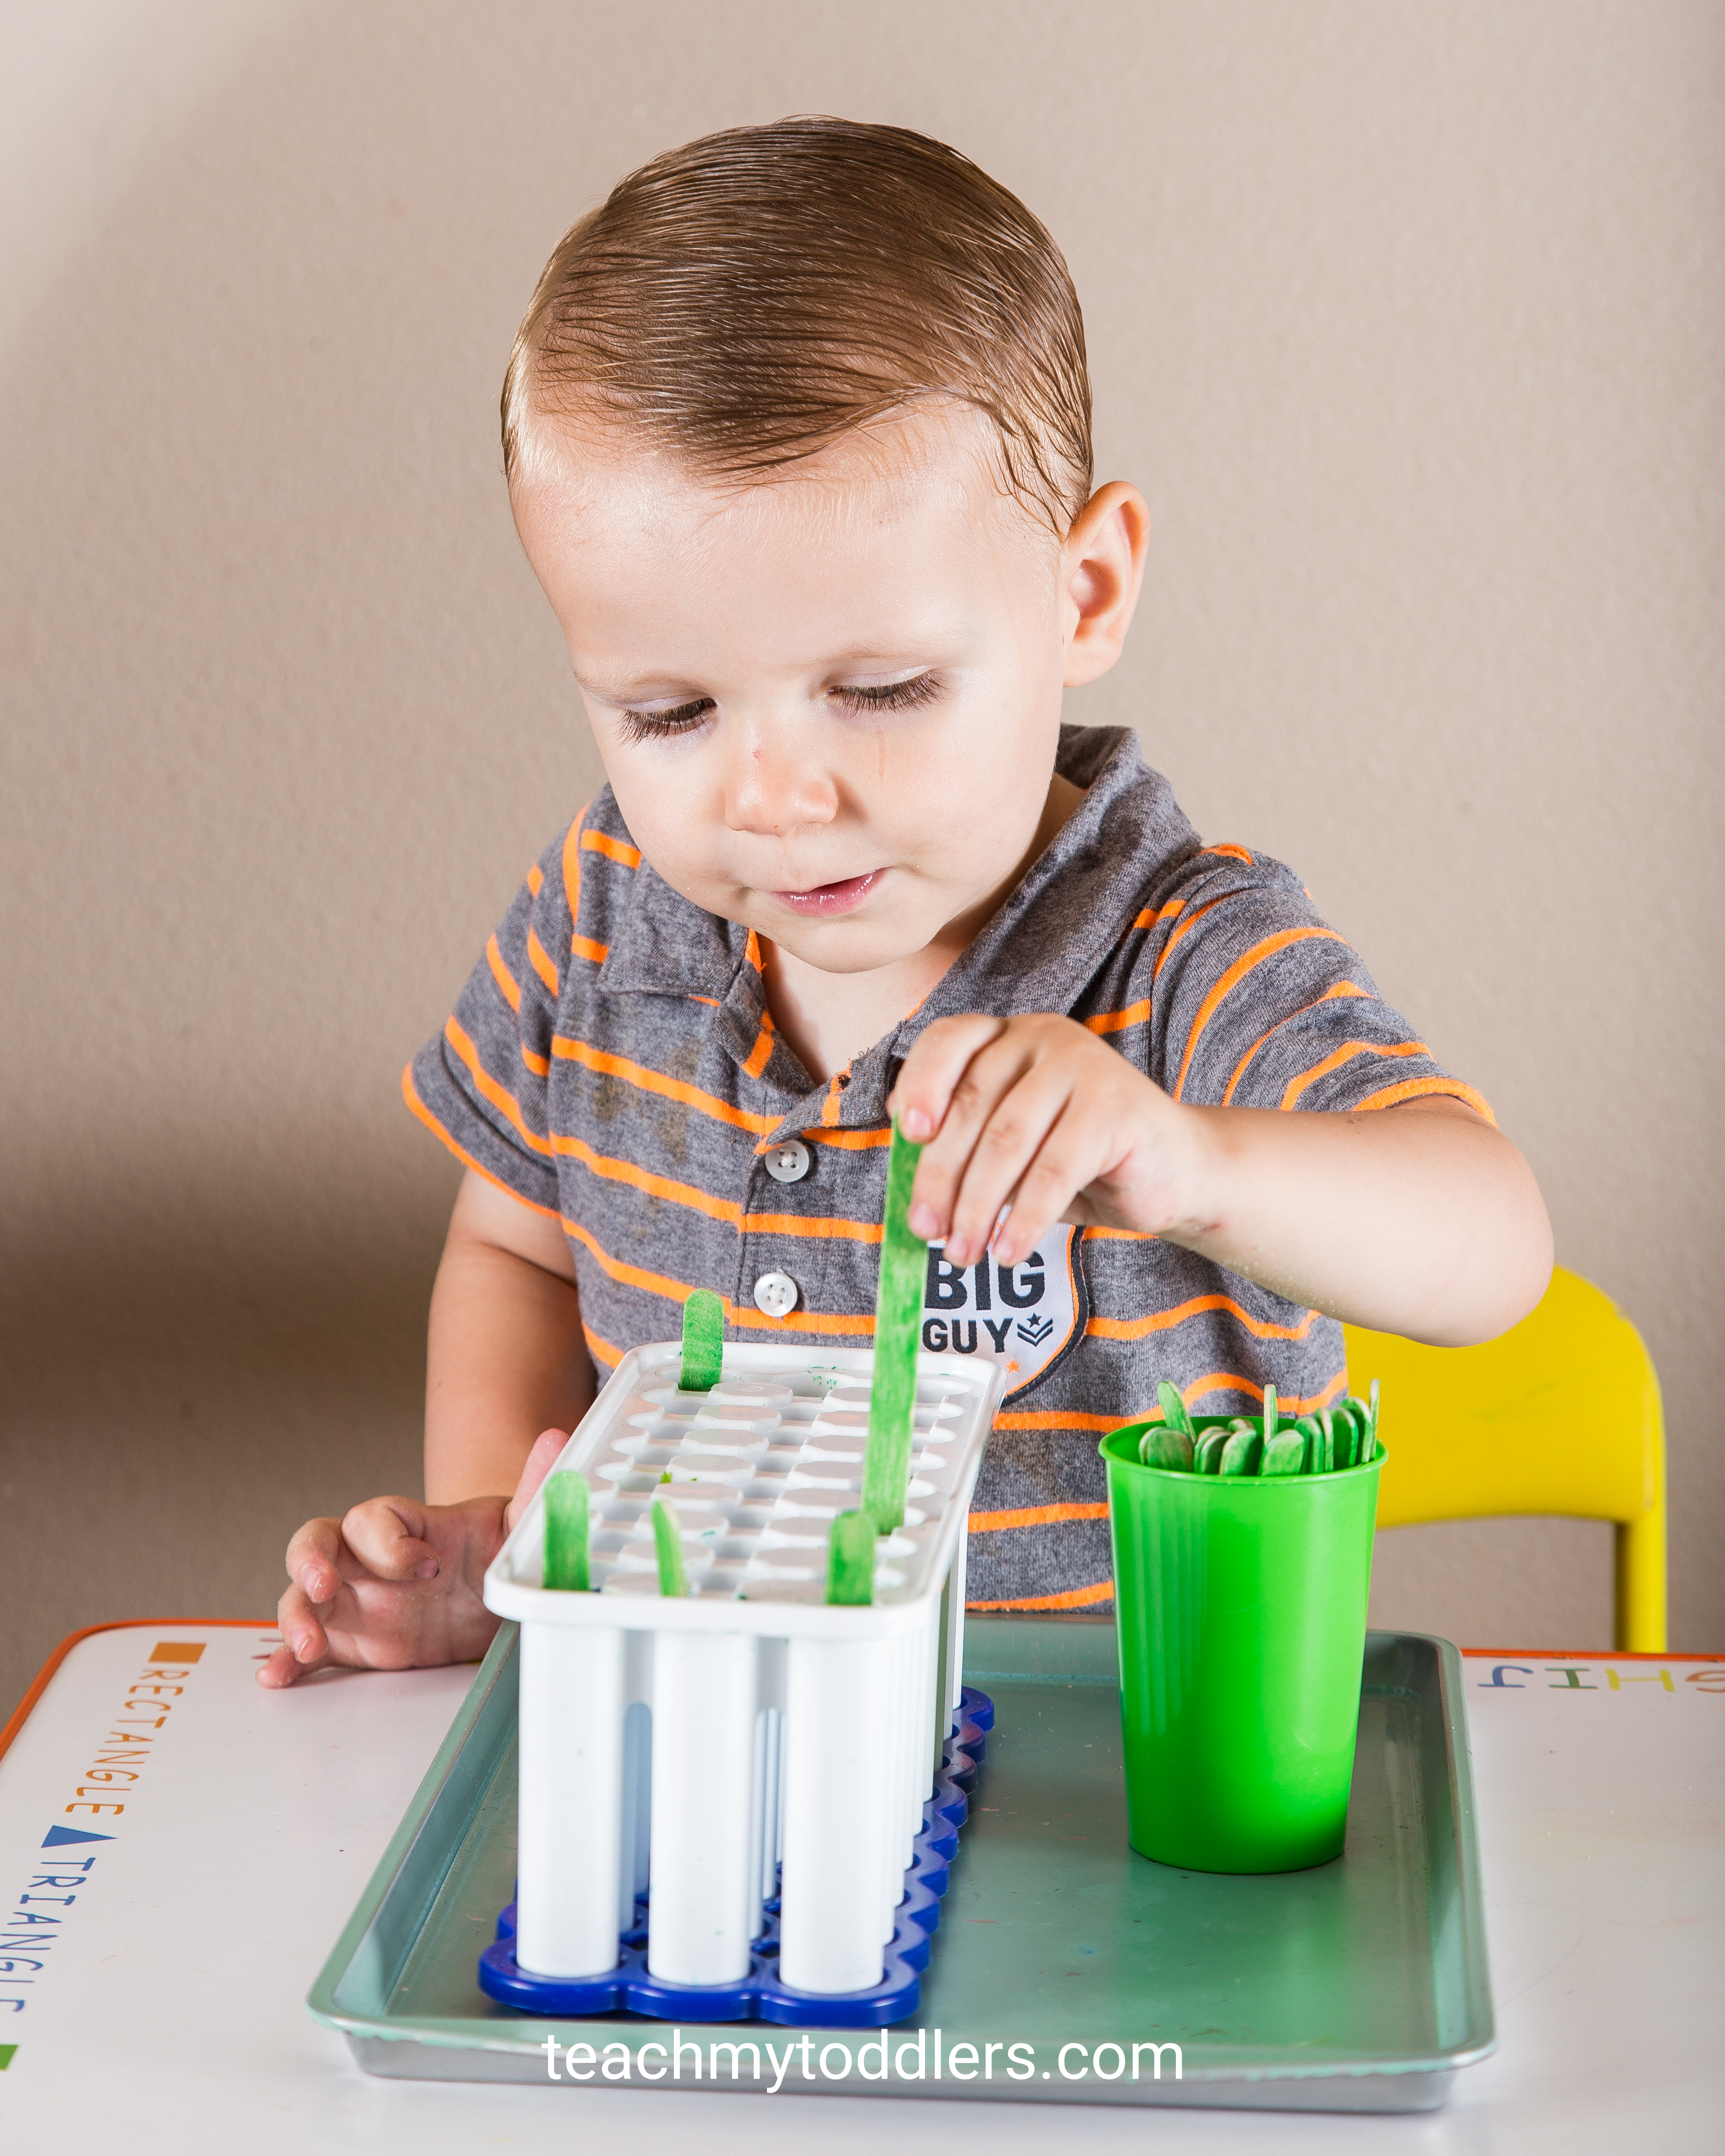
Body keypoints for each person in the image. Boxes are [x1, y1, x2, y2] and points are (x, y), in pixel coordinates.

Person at [258, 119, 1550, 1689]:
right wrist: (515, 1552)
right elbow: (515, 1253)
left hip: (1112, 1808)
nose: (774, 797)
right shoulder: (605, 915)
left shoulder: (1180, 954)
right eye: (670, 715)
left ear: (1085, 595)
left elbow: (1492, 1245)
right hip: (718, 1758)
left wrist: (1191, 1160)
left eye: (879, 689)